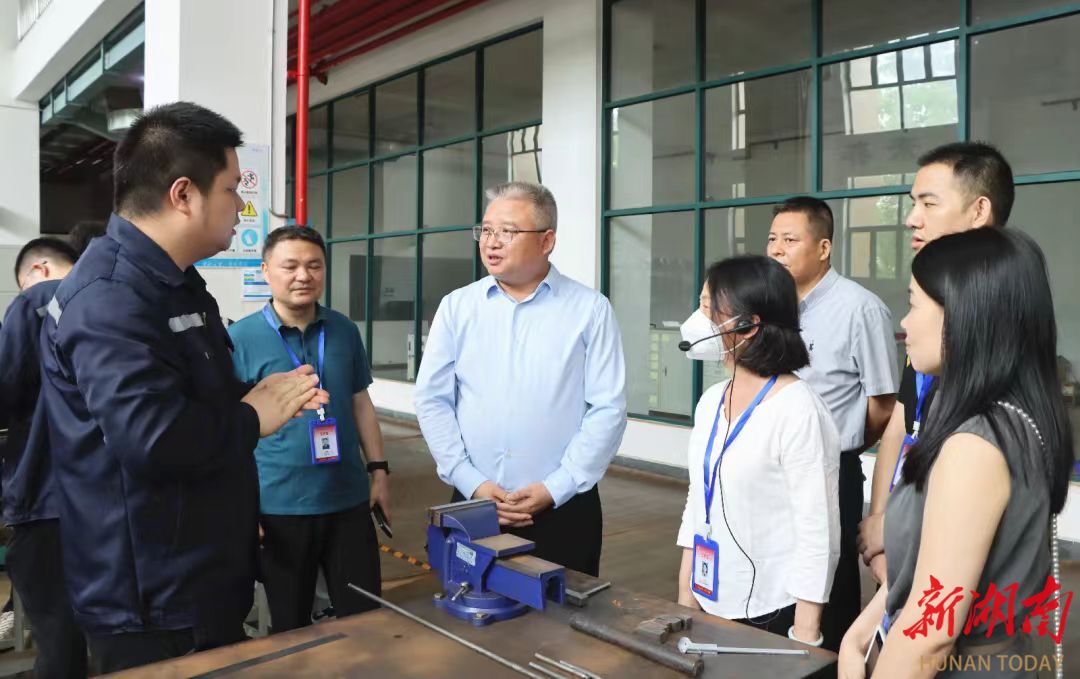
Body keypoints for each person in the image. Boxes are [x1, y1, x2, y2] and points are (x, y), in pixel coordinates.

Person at [39, 102, 328, 673]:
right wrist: (253, 416)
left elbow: (185, 395)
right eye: (231, 189)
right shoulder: (110, 298)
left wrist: (256, 395)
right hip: (154, 598)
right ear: (183, 195)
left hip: (198, 571)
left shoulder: (173, 283)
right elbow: (152, 437)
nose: (241, 206)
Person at [839, 228, 1073, 678]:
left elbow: (931, 632)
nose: (905, 323)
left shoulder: (975, 446)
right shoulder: (1003, 416)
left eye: (914, 304)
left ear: (963, 315)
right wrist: (860, 634)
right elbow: (928, 570)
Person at [413, 181, 627, 577]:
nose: (492, 242)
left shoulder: (589, 310)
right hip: (474, 504)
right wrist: (471, 482)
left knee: (562, 613)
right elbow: (432, 400)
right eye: (486, 230)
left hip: (563, 508)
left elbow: (607, 409)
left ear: (547, 241)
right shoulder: (457, 307)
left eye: (508, 231)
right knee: (471, 605)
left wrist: (556, 487)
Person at [858, 142, 1015, 586]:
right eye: (913, 203)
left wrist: (894, 529)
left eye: (929, 203)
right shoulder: (932, 305)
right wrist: (880, 522)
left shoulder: (1000, 313)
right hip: (905, 537)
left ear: (979, 210)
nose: (912, 218)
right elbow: (903, 420)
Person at [228, 226, 388, 632]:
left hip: (347, 500)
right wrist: (241, 507)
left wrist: (378, 471)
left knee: (366, 620)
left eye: (314, 265)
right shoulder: (239, 338)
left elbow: (360, 402)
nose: (304, 275)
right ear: (266, 271)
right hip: (278, 506)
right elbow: (228, 430)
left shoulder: (344, 330)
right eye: (291, 266)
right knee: (290, 628)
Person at [675, 256, 840, 645]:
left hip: (771, 608)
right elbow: (698, 498)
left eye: (709, 308)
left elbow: (818, 531)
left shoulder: (798, 409)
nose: (698, 320)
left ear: (748, 326)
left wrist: (805, 634)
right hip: (709, 595)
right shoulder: (712, 400)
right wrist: (685, 593)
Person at [767, 196, 899, 650]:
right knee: (782, 572)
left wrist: (846, 443)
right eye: (772, 239)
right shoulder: (772, 308)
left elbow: (884, 403)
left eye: (790, 240)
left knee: (831, 581)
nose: (776, 249)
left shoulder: (861, 309)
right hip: (773, 469)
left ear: (823, 248)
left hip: (830, 468)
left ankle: (832, 661)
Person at [0, 237, 86, 678]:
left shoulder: (37, 299)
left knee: (59, 635)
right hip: (113, 500)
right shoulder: (119, 297)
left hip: (46, 496)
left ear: (40, 269)